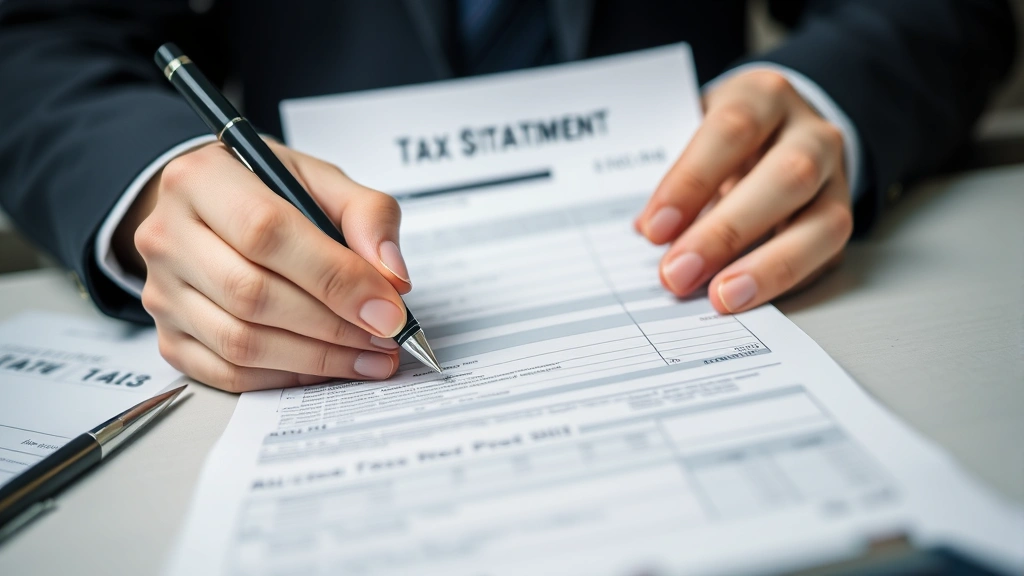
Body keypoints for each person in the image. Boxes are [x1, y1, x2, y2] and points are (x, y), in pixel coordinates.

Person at [0, 1, 1015, 392]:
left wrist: (822, 103)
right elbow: (34, 39)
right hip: (290, 253)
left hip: (684, 228)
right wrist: (150, 182)